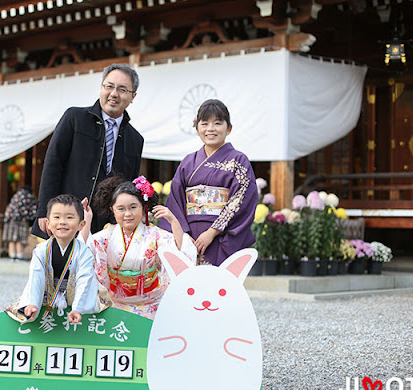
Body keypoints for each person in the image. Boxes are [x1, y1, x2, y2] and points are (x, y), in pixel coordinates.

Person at [32, 63, 144, 239]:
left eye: (122, 89)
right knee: (59, 266)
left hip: (107, 229)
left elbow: (129, 187)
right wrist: (44, 210)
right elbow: (53, 164)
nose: (114, 94)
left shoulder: (135, 139)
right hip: (66, 218)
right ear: (101, 88)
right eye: (109, 86)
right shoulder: (74, 119)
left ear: (133, 96)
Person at [80, 176, 197, 320]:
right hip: (115, 302)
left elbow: (179, 251)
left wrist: (173, 221)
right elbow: (86, 250)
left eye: (133, 207)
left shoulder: (154, 234)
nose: (128, 214)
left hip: (150, 303)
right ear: (112, 210)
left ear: (143, 207)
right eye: (121, 209)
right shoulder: (108, 235)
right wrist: (87, 221)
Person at [160, 99, 258, 266]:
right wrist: (183, 234)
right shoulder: (188, 161)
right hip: (189, 235)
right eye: (204, 123)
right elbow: (176, 199)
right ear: (197, 128)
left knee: (218, 286)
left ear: (229, 129)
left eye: (217, 123)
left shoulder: (238, 160)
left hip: (221, 235)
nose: (210, 129)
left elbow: (242, 198)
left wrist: (212, 232)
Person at [5, 194, 111, 324]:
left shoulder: (84, 253)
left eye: (69, 217)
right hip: (47, 293)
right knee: (23, 308)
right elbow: (36, 277)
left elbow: (85, 279)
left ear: (81, 224)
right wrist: (33, 303)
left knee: (97, 301)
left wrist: (78, 309)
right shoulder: (41, 250)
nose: (62, 222)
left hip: (75, 295)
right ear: (48, 224)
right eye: (57, 217)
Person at [2, 185, 37, 261]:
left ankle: (12, 255)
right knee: (20, 238)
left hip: (11, 220)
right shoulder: (28, 196)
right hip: (22, 220)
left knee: (12, 239)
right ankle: (19, 255)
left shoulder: (16, 196)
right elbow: (33, 210)